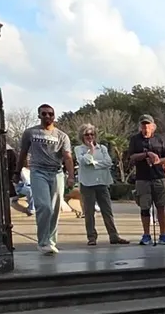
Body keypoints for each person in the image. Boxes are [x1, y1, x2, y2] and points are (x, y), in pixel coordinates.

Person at [17, 104, 74, 255]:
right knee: (44, 206)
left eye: (50, 114)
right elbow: (23, 153)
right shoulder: (30, 133)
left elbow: (67, 157)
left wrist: (71, 176)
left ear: (54, 116)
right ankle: (43, 242)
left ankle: (51, 241)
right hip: (38, 172)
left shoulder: (62, 136)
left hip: (56, 173)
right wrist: (17, 171)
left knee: (55, 210)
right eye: (44, 114)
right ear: (39, 115)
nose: (47, 116)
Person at [74, 124, 129, 246]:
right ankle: (91, 237)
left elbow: (108, 162)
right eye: (87, 134)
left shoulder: (103, 148)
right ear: (82, 136)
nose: (90, 137)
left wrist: (94, 164)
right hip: (87, 184)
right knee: (89, 212)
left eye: (92, 134)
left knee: (107, 211)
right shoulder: (79, 149)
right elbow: (84, 161)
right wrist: (91, 150)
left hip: (102, 183)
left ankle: (114, 236)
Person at [126, 114, 165, 246]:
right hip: (142, 178)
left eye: (148, 125)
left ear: (153, 127)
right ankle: (146, 235)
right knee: (145, 207)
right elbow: (131, 157)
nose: (145, 128)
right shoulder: (135, 140)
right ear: (140, 127)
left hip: (159, 177)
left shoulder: (159, 139)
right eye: (143, 126)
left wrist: (157, 161)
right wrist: (146, 154)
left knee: (161, 206)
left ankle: (163, 234)